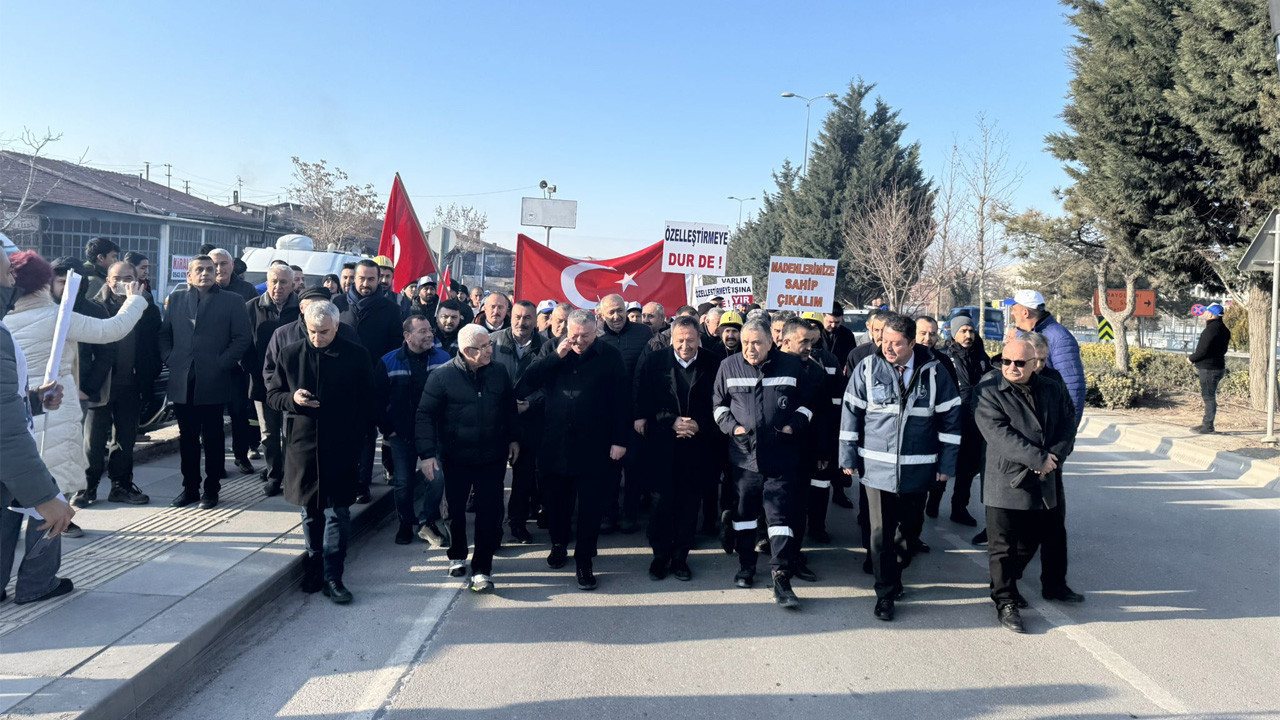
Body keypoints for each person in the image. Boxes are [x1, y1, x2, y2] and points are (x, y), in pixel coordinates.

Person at [839, 313, 962, 622]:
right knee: (879, 534)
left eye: (896, 343)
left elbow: (951, 420)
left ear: (911, 343)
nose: (888, 348)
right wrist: (848, 457)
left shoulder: (935, 373)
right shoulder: (868, 368)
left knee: (909, 532)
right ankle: (885, 592)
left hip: (918, 470)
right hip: (876, 470)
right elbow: (850, 414)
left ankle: (896, 570)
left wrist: (947, 464)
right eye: (884, 342)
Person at [6, 252, 147, 521]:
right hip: (54, 402)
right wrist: (135, 301)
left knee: (20, 478)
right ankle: (54, 529)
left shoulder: (5, 319)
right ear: (43, 284)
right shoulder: (56, 316)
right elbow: (110, 331)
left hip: (18, 407)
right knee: (53, 476)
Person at [266, 300, 373, 603]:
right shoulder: (290, 354)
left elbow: (369, 400)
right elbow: (272, 395)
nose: (317, 338)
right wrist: (292, 399)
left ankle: (333, 576)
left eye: (324, 332)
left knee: (338, 512)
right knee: (310, 511)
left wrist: (360, 435)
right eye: (312, 332)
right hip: (303, 446)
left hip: (341, 445)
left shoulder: (356, 355)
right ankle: (315, 564)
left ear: (337, 327)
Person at [517, 310, 629, 591]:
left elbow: (622, 400)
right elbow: (526, 382)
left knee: (591, 506)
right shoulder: (551, 349)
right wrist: (558, 355)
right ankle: (558, 544)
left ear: (596, 332)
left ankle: (584, 559)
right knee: (556, 502)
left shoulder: (609, 356)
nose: (579, 341)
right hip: (555, 443)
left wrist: (620, 440)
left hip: (596, 444)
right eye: (574, 335)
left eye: (585, 336)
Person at [975, 338, 1080, 633]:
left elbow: (1067, 422)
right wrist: (1037, 457)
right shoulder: (988, 388)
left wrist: (1054, 456)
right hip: (1006, 478)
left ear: (1035, 364)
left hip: (1046, 474)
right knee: (1002, 545)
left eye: (1020, 363)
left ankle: (1045, 584)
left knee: (1040, 536)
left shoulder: (1050, 386)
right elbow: (997, 433)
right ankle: (1005, 600)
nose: (1011, 367)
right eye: (1006, 361)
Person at [712, 319, 814, 608]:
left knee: (779, 516)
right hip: (744, 458)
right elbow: (718, 405)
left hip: (781, 455)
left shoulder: (792, 367)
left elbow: (806, 405)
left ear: (772, 341)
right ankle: (746, 566)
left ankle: (781, 574)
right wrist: (733, 428)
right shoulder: (728, 366)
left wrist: (794, 426)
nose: (750, 348)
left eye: (756, 343)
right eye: (746, 343)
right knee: (745, 514)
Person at [0, 246, 78, 605]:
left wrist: (33, 401)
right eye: (6, 272)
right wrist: (46, 499)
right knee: (44, 514)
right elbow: (6, 433)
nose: (12, 278)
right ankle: (36, 585)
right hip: (18, 457)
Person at [417, 325, 518, 592]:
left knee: (489, 512)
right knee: (455, 511)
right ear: (467, 351)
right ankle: (458, 555)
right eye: (484, 347)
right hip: (456, 456)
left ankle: (482, 569)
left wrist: (514, 438)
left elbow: (509, 408)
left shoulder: (498, 372)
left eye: (489, 345)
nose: (490, 350)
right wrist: (427, 455)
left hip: (492, 456)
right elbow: (425, 415)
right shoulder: (442, 376)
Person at [160, 255, 253, 510]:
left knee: (213, 438)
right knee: (187, 438)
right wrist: (171, 358)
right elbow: (164, 335)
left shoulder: (232, 301)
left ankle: (211, 490)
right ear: (189, 276)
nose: (205, 274)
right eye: (199, 270)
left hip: (214, 380)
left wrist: (221, 363)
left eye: (210, 269)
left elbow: (242, 339)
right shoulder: (177, 300)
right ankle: (189, 488)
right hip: (183, 381)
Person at [634, 316, 720, 581]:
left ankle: (681, 557)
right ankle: (660, 556)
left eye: (690, 340)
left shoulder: (713, 363)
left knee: (689, 503)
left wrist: (699, 425)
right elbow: (643, 400)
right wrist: (671, 422)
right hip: (662, 444)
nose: (685, 345)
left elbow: (720, 403)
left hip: (698, 446)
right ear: (671, 339)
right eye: (680, 340)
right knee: (661, 503)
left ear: (699, 338)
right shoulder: (654, 361)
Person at [82, 261, 161, 506]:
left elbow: (151, 346)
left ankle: (121, 485)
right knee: (93, 442)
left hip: (130, 384)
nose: (123, 282)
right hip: (99, 385)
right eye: (118, 277)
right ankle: (87, 487)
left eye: (129, 277)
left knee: (125, 440)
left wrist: (147, 379)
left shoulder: (145, 308)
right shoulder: (93, 307)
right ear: (108, 280)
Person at [376, 315, 449, 545]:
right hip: (402, 436)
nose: (429, 335)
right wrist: (389, 429)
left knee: (436, 479)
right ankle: (405, 524)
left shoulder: (444, 359)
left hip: (434, 435)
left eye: (430, 330)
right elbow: (377, 400)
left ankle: (427, 520)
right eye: (422, 331)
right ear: (407, 336)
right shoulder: (388, 362)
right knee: (404, 484)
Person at [339, 259, 404, 503]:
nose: (366, 284)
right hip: (341, 382)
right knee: (343, 435)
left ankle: (361, 483)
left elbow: (395, 346)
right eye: (361, 279)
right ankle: (344, 479)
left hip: (373, 383)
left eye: (371, 279)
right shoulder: (338, 304)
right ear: (353, 279)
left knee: (367, 436)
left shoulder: (390, 309)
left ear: (379, 280)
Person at [594, 293, 654, 534]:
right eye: (611, 312)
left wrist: (642, 413)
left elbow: (648, 374)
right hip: (606, 416)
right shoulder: (595, 337)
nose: (617, 316)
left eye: (620, 310)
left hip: (635, 414)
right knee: (608, 468)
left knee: (634, 467)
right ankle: (609, 514)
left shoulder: (643, 333)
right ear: (601, 315)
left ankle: (629, 515)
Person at [491, 300, 549, 544]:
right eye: (517, 317)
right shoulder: (492, 342)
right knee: (492, 480)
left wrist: (531, 402)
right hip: (495, 422)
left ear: (536, 321)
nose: (521, 323)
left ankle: (517, 524)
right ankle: (493, 529)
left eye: (527, 318)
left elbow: (552, 384)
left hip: (529, 422)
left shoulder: (546, 347)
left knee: (523, 479)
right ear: (509, 316)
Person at [244, 265, 300, 496]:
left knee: (289, 433)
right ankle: (273, 474)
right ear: (267, 282)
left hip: (292, 386)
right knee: (268, 434)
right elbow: (244, 344)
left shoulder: (300, 308)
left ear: (293, 284)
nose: (278, 287)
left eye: (284, 282)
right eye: (273, 281)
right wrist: (255, 372)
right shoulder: (251, 307)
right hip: (262, 384)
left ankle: (288, 474)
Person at [934, 315, 992, 527]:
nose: (968, 335)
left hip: (975, 420)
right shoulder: (944, 357)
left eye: (971, 331)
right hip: (950, 419)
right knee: (944, 462)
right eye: (963, 331)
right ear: (954, 333)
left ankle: (959, 507)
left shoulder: (982, 357)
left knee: (968, 467)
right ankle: (934, 500)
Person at [207, 248, 260, 474]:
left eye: (223, 264)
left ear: (232, 265)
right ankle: (216, 462)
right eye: (214, 264)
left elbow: (249, 328)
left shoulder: (247, 290)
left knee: (239, 413)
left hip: (239, 364)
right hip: (211, 364)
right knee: (212, 417)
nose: (219, 269)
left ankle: (241, 455)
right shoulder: (204, 289)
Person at [1007, 289, 1085, 427]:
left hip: (1049, 422)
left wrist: (1068, 431)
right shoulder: (1025, 335)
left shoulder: (1060, 338)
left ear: (1025, 313)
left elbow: (1073, 387)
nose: (1012, 313)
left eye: (1014, 309)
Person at [1189, 303, 1229, 434]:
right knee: (1209, 396)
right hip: (1218, 366)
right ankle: (1205, 424)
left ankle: (1208, 427)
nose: (1204, 313)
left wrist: (1191, 358)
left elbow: (1202, 350)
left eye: (1206, 311)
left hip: (1209, 368)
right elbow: (1223, 350)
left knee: (1208, 397)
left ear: (1212, 314)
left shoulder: (1210, 330)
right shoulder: (1224, 330)